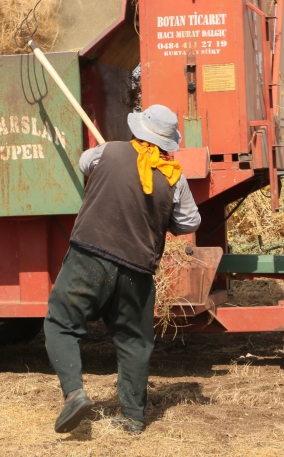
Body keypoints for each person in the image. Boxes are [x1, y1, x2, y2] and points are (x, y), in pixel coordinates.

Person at [44, 104, 201, 435]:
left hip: (90, 257)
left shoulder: (109, 152)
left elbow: (85, 162)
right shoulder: (175, 178)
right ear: (168, 143)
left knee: (61, 322)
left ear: (137, 131)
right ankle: (131, 417)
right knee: (134, 340)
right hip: (137, 270)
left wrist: (113, 158)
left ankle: (74, 393)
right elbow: (190, 222)